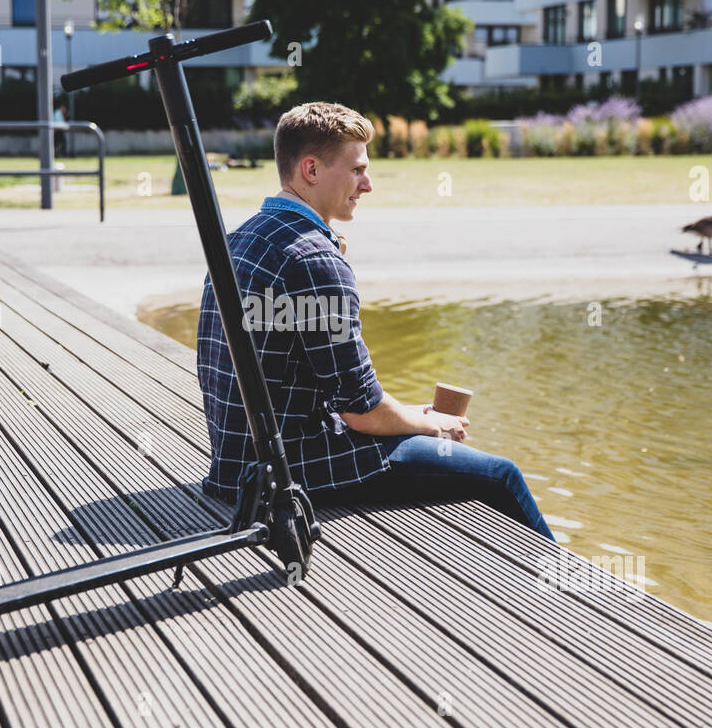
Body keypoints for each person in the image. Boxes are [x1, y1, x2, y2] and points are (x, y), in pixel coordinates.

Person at [196, 102, 556, 542]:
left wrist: (406, 414)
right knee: (502, 475)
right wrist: (433, 424)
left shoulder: (242, 236)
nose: (367, 184)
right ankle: (579, 597)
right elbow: (362, 412)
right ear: (310, 169)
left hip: (234, 462)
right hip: (290, 470)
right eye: (356, 170)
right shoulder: (314, 259)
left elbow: (339, 391)